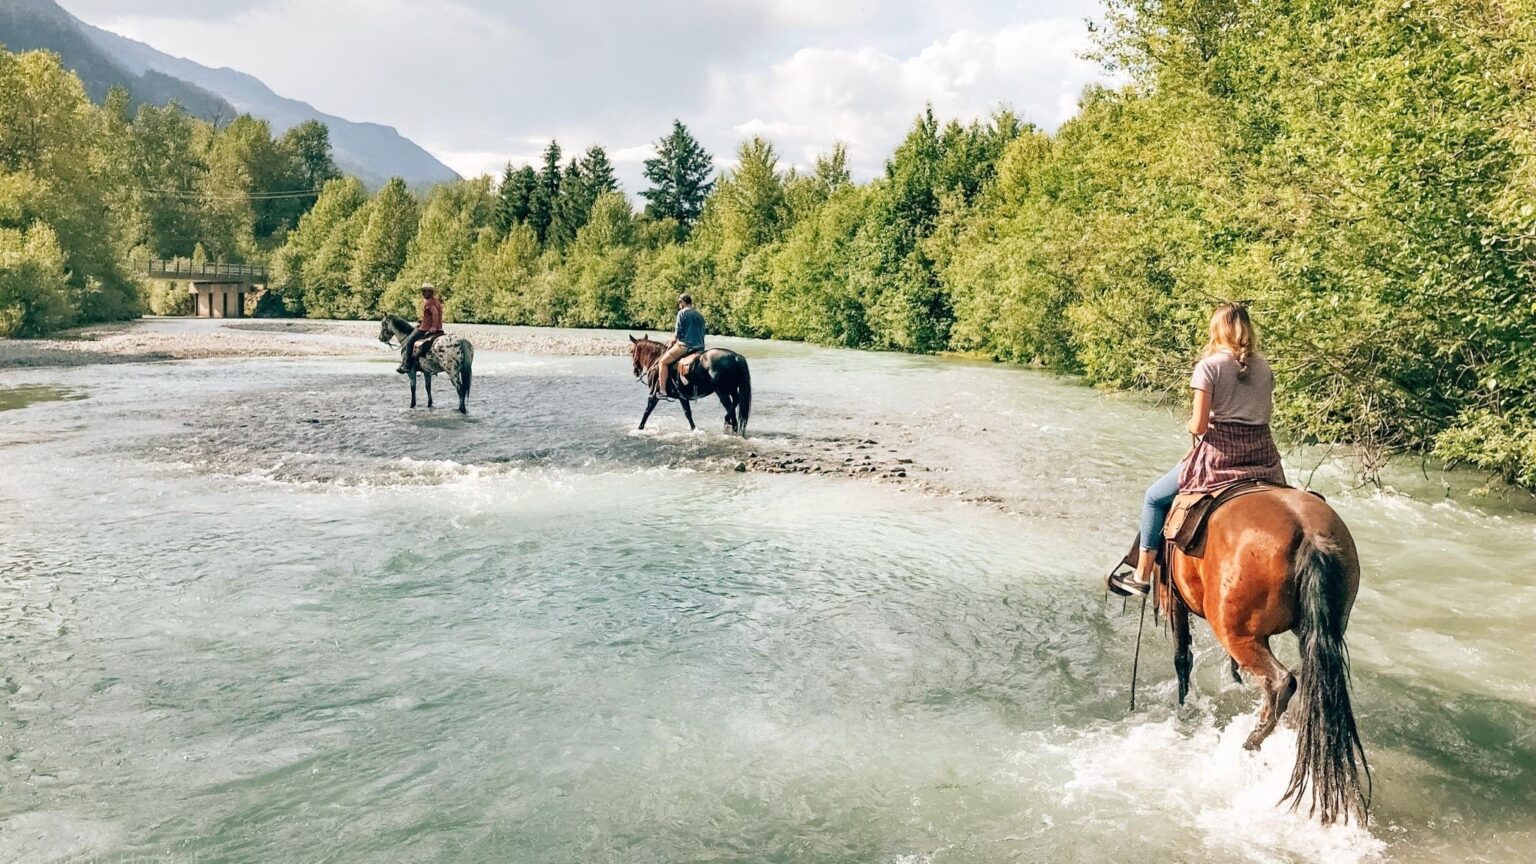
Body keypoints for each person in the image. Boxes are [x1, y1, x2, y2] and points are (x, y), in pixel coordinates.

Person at [1111, 302, 1286, 596]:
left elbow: (1199, 426)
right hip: (1262, 456)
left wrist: (1192, 424)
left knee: (1154, 497)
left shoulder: (1209, 367)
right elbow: (1263, 413)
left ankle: (1141, 576)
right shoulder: (1265, 367)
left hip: (1221, 456)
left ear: (1217, 329)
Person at [653, 293, 706, 397]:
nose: (679, 305)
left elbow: (678, 333)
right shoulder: (699, 315)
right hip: (700, 347)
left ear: (683, 302)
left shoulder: (682, 313)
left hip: (685, 346)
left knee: (662, 362)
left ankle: (663, 391)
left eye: (679, 303)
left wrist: (672, 340)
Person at [397, 283, 444, 374]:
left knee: (409, 342)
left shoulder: (429, 302)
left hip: (425, 329)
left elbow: (435, 314)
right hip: (438, 328)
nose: (423, 293)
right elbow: (432, 315)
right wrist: (422, 320)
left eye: (425, 291)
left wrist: (433, 326)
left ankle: (407, 365)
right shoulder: (436, 301)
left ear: (430, 292)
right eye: (422, 291)